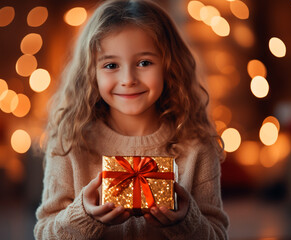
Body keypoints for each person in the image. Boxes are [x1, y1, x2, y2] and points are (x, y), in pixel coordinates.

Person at [34, 0, 229, 239]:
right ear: (90, 72)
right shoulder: (69, 143)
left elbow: (217, 235)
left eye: (144, 63)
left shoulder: (196, 145)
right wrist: (83, 215)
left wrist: (186, 222)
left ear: (169, 65)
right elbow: (45, 234)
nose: (128, 79)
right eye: (111, 65)